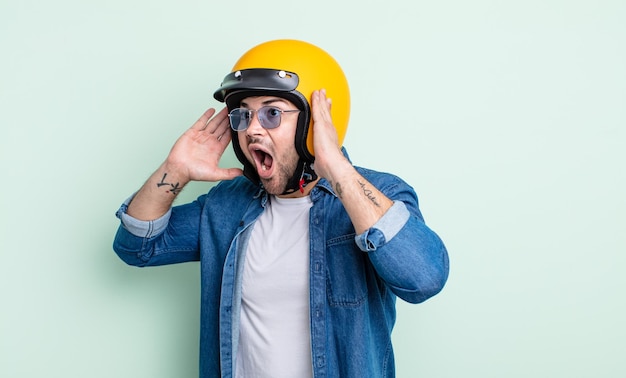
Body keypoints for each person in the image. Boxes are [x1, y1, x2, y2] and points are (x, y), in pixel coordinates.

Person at [113, 39, 449, 378]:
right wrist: (176, 169)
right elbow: (136, 246)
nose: (253, 129)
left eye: (272, 113)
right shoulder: (225, 205)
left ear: (316, 123)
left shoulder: (380, 195)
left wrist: (336, 168)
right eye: (244, 114)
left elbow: (423, 279)